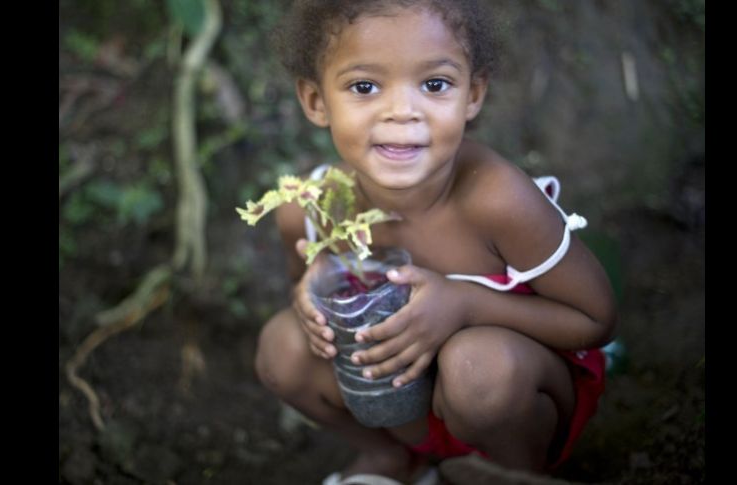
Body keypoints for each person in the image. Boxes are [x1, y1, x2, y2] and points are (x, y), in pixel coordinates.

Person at [254, 1, 618, 483]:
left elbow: (595, 320)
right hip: (403, 408)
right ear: (316, 101)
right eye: (364, 87)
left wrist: (464, 305)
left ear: (473, 94)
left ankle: (511, 475)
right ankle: (394, 459)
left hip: (507, 399)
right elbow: (301, 291)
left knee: (476, 367)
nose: (402, 112)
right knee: (281, 347)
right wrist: (312, 295)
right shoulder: (310, 210)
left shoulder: (498, 201)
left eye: (434, 84)